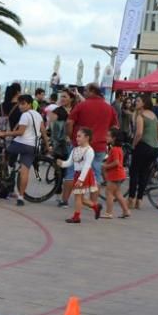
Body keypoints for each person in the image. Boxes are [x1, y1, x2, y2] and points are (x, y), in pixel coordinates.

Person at [65, 82, 117, 211]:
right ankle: (93, 203)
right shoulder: (109, 108)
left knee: (72, 172)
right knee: (96, 175)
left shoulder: (81, 105)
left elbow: (69, 122)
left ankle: (64, 200)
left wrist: (71, 136)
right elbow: (115, 127)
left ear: (93, 91)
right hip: (99, 146)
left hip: (80, 145)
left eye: (86, 91)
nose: (84, 93)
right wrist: (106, 137)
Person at [0, 94, 48, 207]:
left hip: (21, 143)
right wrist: (48, 146)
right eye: (19, 104)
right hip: (33, 146)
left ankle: (9, 171)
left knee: (5, 153)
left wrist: (4, 133)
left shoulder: (25, 115)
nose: (20, 106)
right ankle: (21, 197)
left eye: (23, 104)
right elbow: (43, 131)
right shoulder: (38, 115)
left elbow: (20, 132)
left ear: (29, 104)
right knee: (25, 172)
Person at [57, 128, 99, 222]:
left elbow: (87, 166)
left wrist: (81, 179)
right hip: (77, 174)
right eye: (76, 136)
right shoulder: (75, 149)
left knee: (78, 197)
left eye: (79, 136)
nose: (77, 138)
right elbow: (69, 163)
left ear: (87, 138)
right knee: (81, 198)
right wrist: (62, 163)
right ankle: (95, 207)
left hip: (84, 175)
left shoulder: (89, 150)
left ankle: (76, 217)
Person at [128, 93, 158, 210]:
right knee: (144, 173)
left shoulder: (140, 116)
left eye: (138, 101)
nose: (136, 103)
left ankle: (131, 199)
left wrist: (133, 145)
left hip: (142, 146)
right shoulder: (153, 115)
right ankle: (139, 200)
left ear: (144, 103)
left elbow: (139, 133)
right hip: (153, 148)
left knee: (134, 172)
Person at [102, 127, 130, 218]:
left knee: (109, 193)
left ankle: (108, 212)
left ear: (114, 138)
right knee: (117, 193)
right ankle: (126, 211)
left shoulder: (114, 149)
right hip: (119, 174)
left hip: (115, 174)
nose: (106, 137)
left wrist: (105, 166)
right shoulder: (118, 148)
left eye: (108, 136)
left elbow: (116, 162)